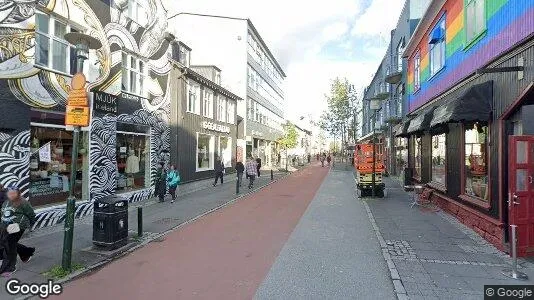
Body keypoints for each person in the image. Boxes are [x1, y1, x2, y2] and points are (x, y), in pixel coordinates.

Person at [0, 185, 36, 276]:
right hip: (5, 224)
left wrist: (30, 224)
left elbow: (31, 213)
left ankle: (9, 267)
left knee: (8, 243)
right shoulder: (6, 202)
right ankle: (26, 253)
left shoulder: (22, 202)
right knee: (7, 242)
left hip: (17, 225)